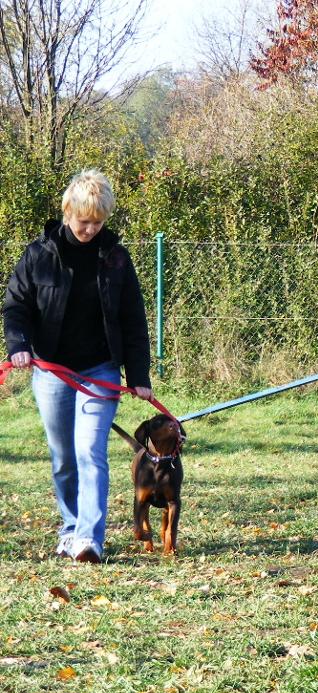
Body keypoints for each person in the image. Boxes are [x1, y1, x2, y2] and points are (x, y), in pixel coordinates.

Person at [3, 169, 153, 563]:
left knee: (90, 450)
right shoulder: (38, 255)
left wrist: (138, 377)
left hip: (100, 369)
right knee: (63, 456)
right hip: (51, 370)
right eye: (83, 220)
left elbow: (133, 320)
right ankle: (69, 528)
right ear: (68, 212)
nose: (89, 229)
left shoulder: (116, 259)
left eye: (97, 222)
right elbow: (16, 306)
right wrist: (18, 345)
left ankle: (89, 538)